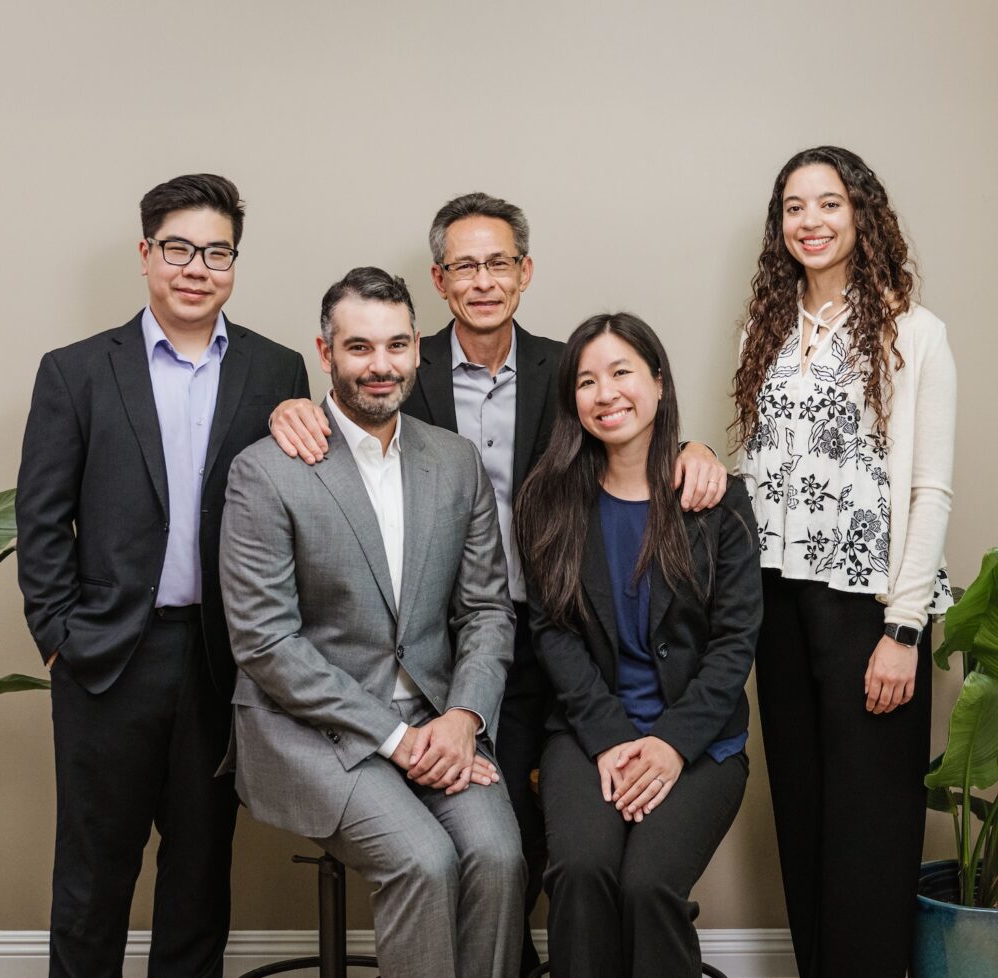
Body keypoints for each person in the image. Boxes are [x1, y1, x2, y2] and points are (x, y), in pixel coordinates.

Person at [268, 192, 727, 974]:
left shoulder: (567, 371)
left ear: (525, 271)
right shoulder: (407, 365)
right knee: (500, 827)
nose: (484, 280)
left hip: (569, 629)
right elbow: (354, 417)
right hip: (457, 648)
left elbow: (626, 424)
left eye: (500, 263)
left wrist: (697, 451)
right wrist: (290, 408)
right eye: (465, 267)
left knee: (559, 837)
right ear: (441, 282)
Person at [15, 174, 310, 977]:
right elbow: (41, 519)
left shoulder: (276, 371)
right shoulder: (75, 372)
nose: (196, 268)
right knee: (93, 875)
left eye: (218, 252)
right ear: (147, 255)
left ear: (234, 264)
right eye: (178, 249)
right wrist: (58, 637)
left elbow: (297, 514)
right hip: (107, 657)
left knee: (198, 875)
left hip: (221, 659)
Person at [219, 267, 526, 978]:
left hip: (436, 719)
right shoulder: (265, 472)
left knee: (500, 858)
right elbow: (266, 642)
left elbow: (485, 608)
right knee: (423, 861)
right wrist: (396, 738)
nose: (380, 366)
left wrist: (464, 717)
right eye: (359, 348)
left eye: (396, 345)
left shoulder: (455, 462)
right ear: (325, 355)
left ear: (419, 347)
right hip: (310, 729)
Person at [732, 146, 956, 978]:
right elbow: (766, 469)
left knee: (869, 829)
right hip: (778, 605)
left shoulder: (912, 331)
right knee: (805, 813)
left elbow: (930, 491)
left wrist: (904, 628)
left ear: (862, 214)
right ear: (779, 224)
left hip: (871, 610)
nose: (811, 222)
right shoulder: (767, 327)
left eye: (829, 204)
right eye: (795, 207)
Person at [514, 313, 760, 978]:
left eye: (621, 372)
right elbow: (551, 634)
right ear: (573, 401)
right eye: (587, 381)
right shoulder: (547, 501)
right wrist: (616, 737)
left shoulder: (717, 500)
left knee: (649, 885)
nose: (606, 393)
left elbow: (736, 644)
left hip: (702, 741)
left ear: (657, 381)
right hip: (588, 732)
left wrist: (671, 744)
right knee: (580, 871)